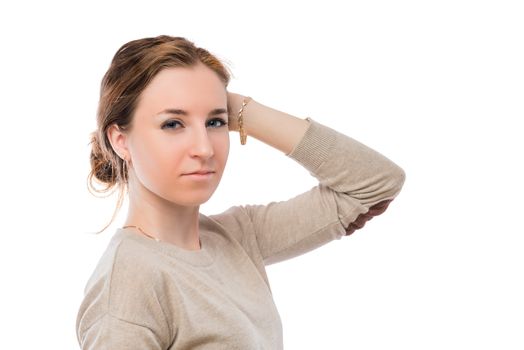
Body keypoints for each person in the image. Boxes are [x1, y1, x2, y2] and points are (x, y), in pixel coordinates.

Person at [76, 35, 406, 349]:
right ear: (120, 140)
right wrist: (212, 107)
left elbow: (374, 182)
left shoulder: (236, 236)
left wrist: (243, 110)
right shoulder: (128, 286)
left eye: (215, 123)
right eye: (173, 124)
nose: (204, 148)